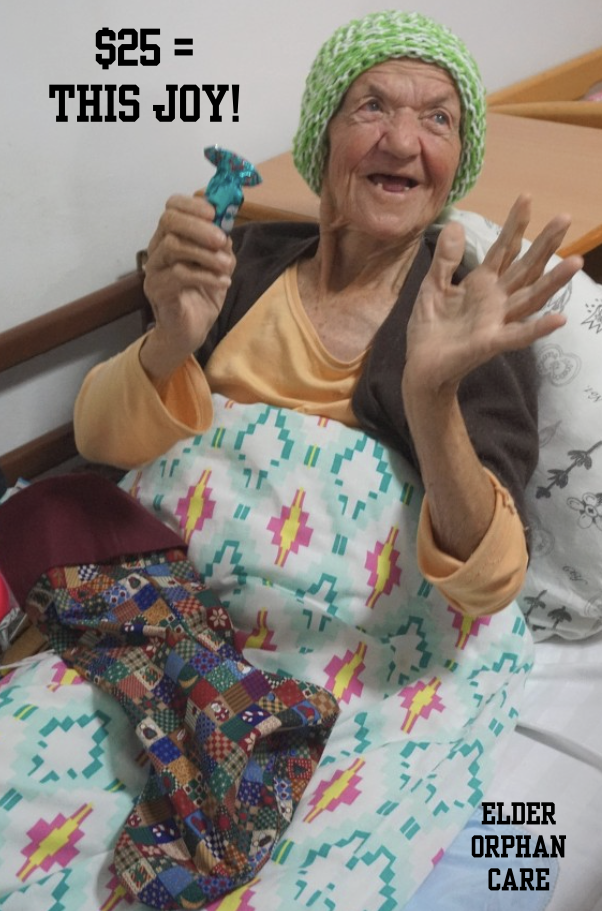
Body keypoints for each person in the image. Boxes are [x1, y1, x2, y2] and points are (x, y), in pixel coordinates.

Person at [74, 10, 582, 617]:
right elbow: (101, 443)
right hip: (167, 613)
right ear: (324, 135)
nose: (400, 142)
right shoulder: (240, 264)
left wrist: (431, 400)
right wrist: (171, 343)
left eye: (437, 118)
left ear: (456, 166)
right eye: (372, 107)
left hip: (346, 649)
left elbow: (489, 586)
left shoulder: (468, 316)